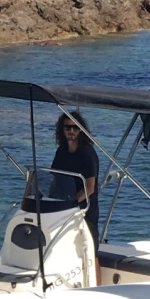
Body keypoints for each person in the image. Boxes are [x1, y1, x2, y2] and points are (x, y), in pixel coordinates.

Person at [51, 111, 101, 286]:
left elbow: (90, 187)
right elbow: (54, 179)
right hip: (63, 208)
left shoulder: (87, 153)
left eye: (75, 127)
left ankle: (98, 287)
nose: (71, 131)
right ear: (62, 130)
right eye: (67, 127)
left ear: (81, 130)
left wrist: (72, 204)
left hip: (84, 209)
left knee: (90, 250)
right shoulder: (61, 152)